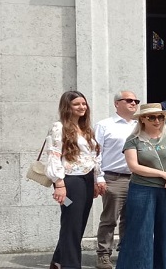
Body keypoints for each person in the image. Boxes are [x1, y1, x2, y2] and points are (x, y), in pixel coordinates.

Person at [116, 103, 166, 269]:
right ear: (142, 119)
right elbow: (134, 166)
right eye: (151, 117)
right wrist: (163, 174)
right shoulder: (133, 140)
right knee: (141, 231)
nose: (157, 120)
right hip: (143, 190)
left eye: (160, 117)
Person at [45, 91, 102, 269]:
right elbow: (54, 156)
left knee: (79, 222)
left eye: (84, 104)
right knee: (72, 223)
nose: (82, 107)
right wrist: (59, 184)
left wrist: (95, 179)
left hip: (86, 180)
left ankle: (58, 260)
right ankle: (71, 265)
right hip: (70, 182)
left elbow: (93, 158)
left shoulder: (86, 129)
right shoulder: (59, 127)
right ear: (67, 107)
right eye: (77, 104)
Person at [94, 90, 139, 269]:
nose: (133, 103)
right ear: (116, 103)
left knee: (131, 218)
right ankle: (103, 254)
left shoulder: (139, 125)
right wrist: (99, 177)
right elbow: (95, 153)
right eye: (129, 100)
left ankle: (125, 252)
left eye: (136, 100)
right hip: (113, 177)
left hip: (137, 179)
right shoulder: (104, 125)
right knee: (110, 219)